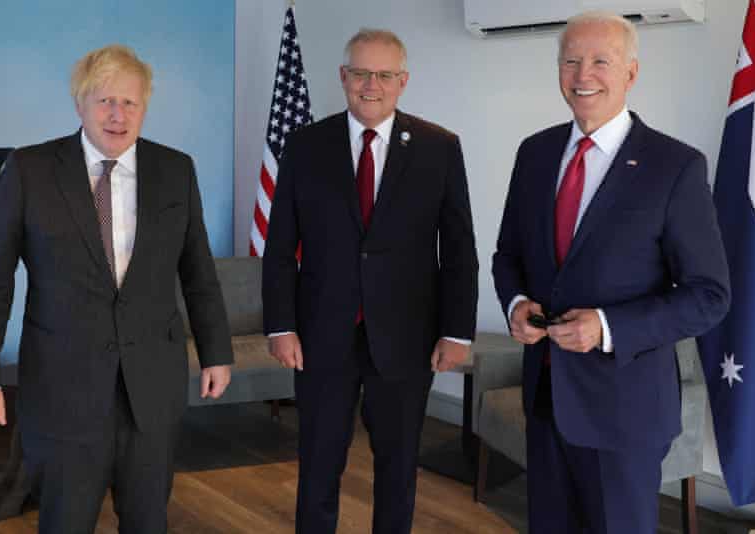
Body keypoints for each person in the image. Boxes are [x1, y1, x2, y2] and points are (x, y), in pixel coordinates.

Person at [0, 44, 233, 533]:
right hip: (63, 390)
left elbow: (198, 273)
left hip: (152, 387)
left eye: (130, 102)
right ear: (80, 103)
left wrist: (216, 351)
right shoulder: (30, 170)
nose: (117, 114)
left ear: (144, 108)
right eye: (105, 100)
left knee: (149, 522)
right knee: (66, 522)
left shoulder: (176, 170)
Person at [492, 11, 730, 533]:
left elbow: (709, 295)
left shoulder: (675, 167)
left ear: (631, 72)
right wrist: (515, 304)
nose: (583, 75)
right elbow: (507, 254)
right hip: (547, 399)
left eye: (601, 60)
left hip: (625, 413)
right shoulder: (534, 153)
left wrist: (606, 327)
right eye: (571, 61)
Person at [262, 28, 477, 534]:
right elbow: (278, 249)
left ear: (403, 81)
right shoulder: (304, 145)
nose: (371, 85)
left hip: (407, 338)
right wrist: (280, 325)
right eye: (360, 73)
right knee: (318, 466)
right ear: (343, 77)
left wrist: (457, 330)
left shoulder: (439, 147)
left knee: (398, 470)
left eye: (384, 75)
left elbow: (459, 247)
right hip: (319, 337)